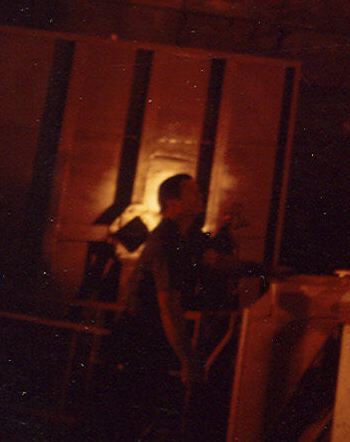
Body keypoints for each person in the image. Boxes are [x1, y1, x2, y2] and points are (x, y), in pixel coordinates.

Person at [96, 173, 264, 439]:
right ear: (172, 203)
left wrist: (267, 272)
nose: (200, 197)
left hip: (153, 336)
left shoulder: (188, 238)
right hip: (139, 338)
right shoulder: (166, 241)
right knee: (131, 416)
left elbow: (218, 263)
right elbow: (168, 307)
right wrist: (189, 360)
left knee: (143, 413)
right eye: (192, 193)